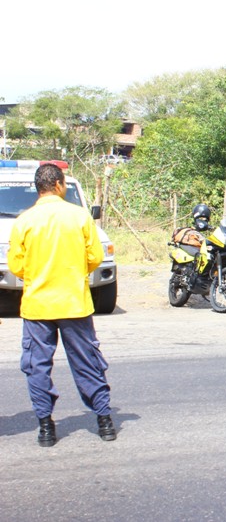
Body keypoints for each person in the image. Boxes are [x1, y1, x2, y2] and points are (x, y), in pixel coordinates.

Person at [8, 163, 116, 446]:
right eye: (65, 183)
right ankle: (104, 422)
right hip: (74, 304)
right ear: (57, 184)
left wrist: (38, 274)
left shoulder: (24, 221)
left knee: (37, 367)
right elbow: (94, 257)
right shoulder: (79, 217)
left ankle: (46, 428)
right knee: (87, 363)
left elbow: (15, 266)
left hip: (37, 306)